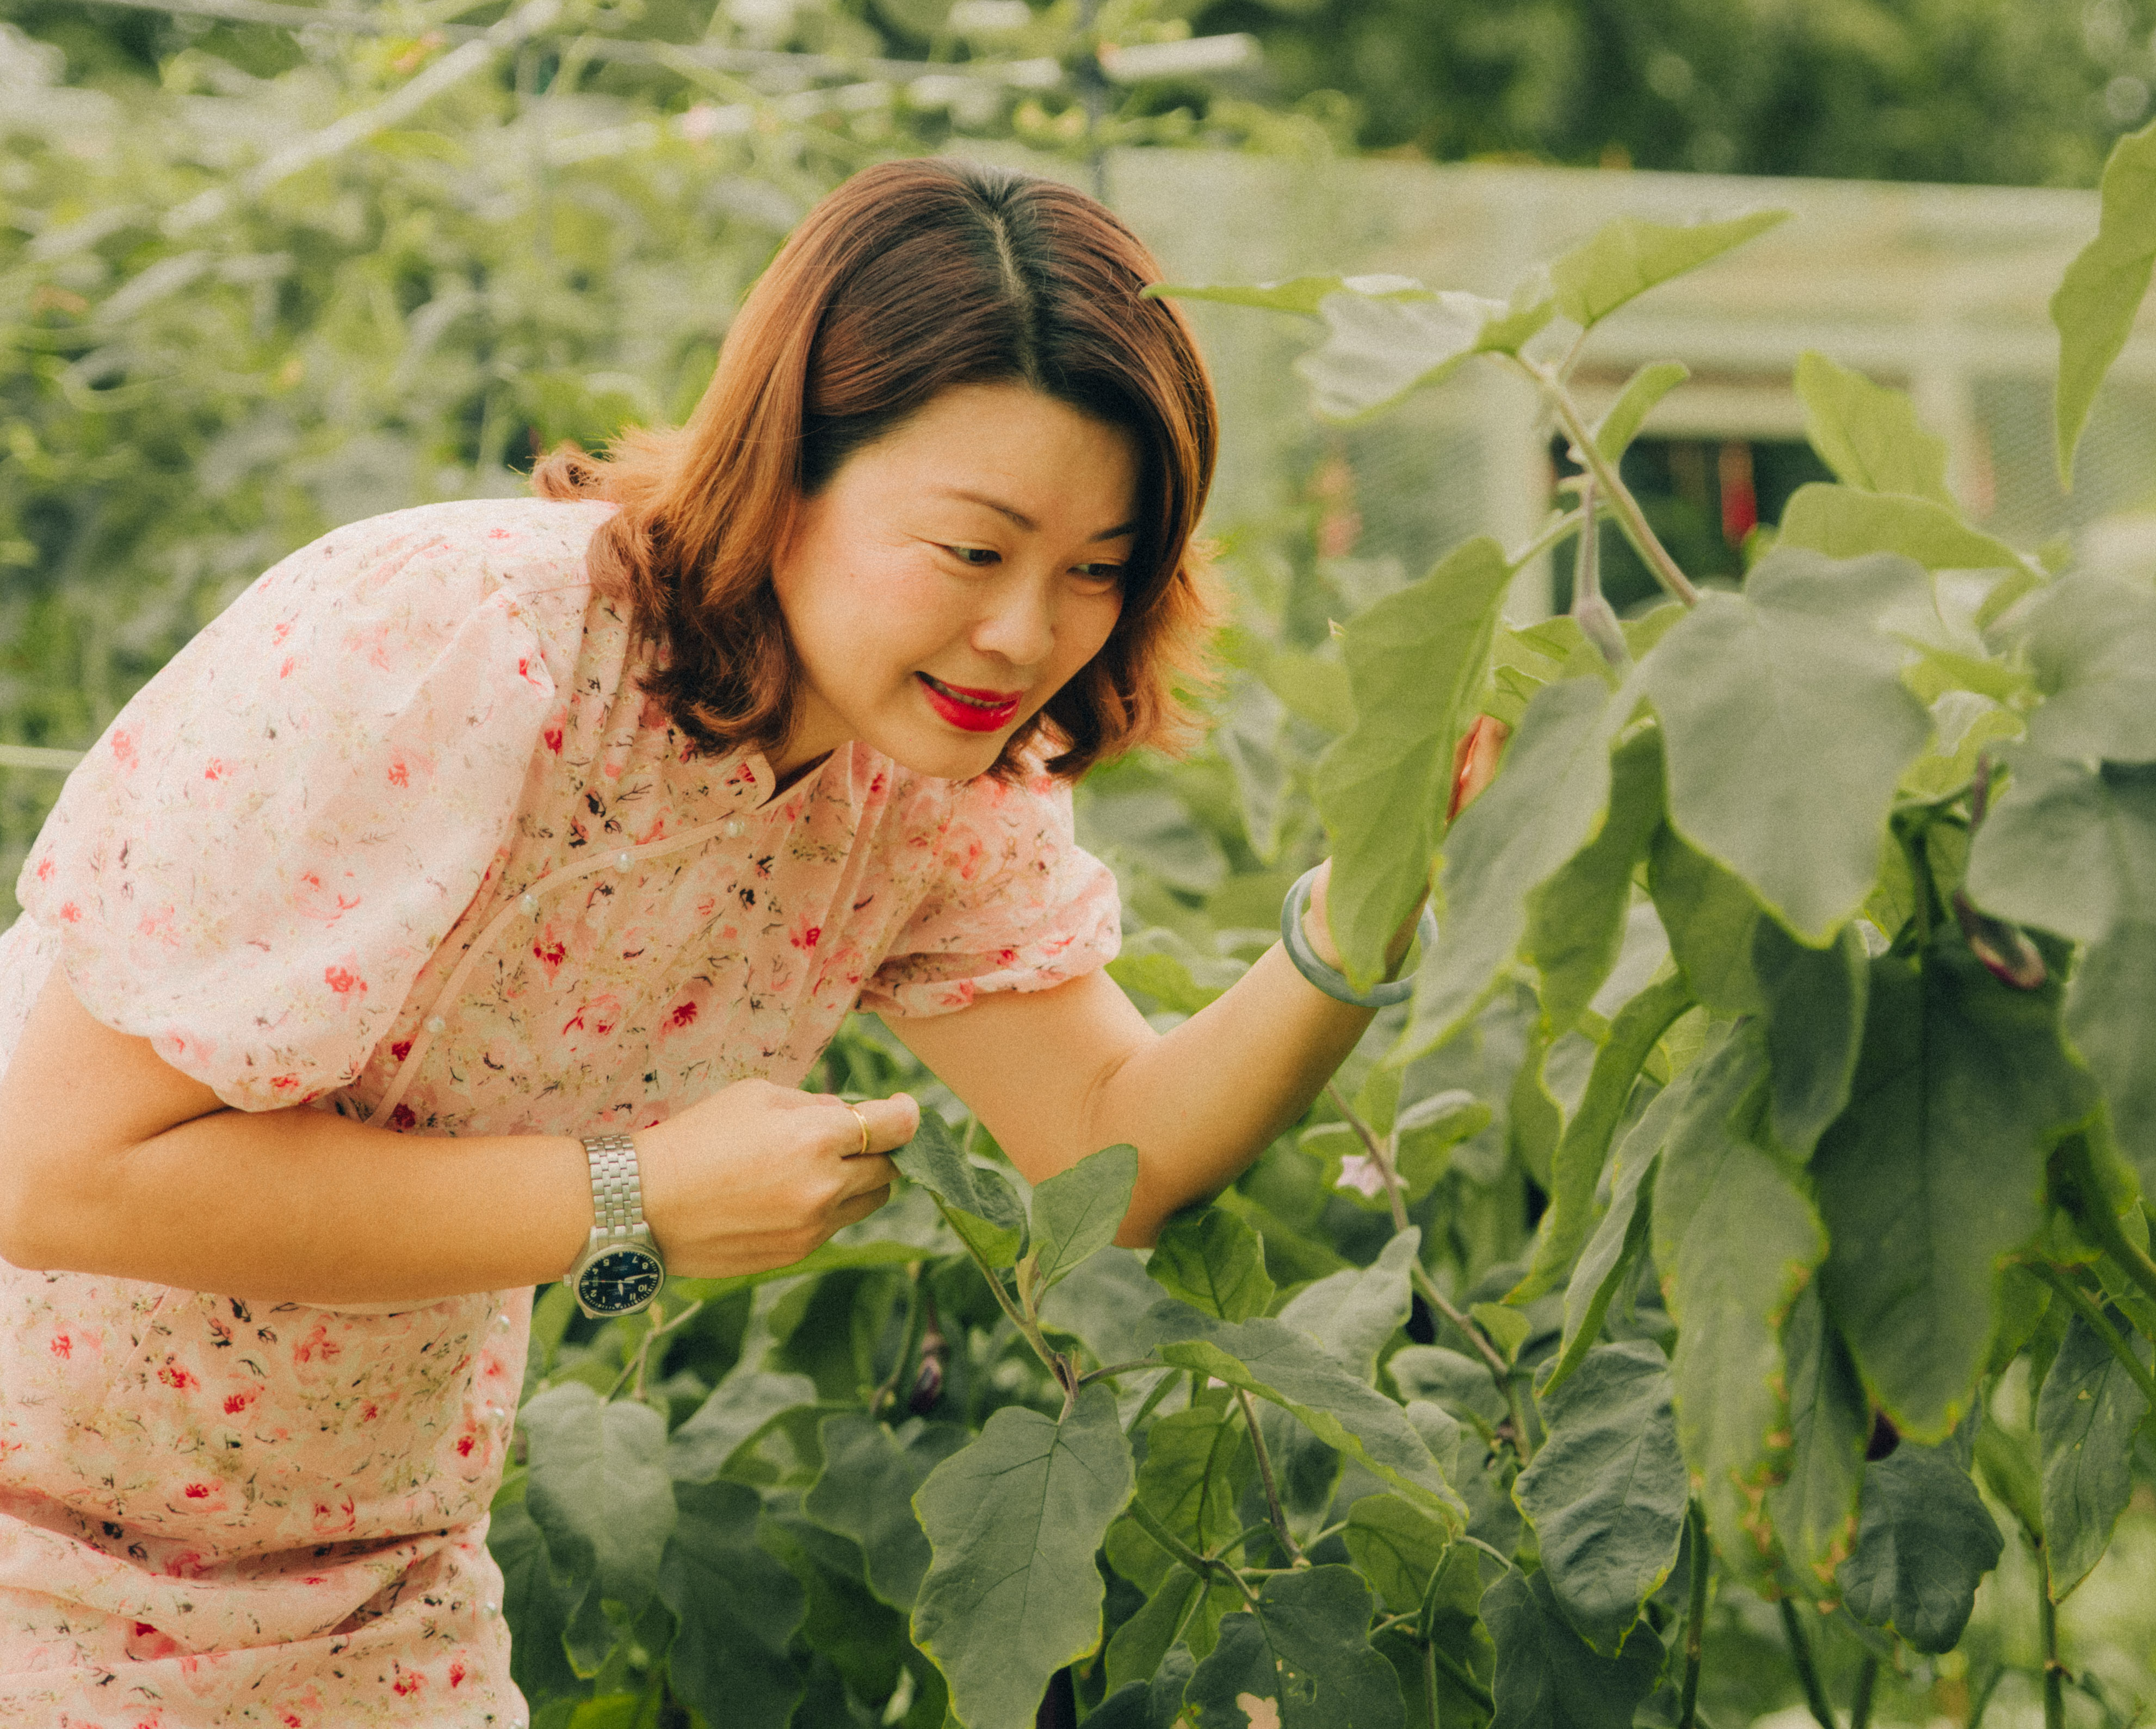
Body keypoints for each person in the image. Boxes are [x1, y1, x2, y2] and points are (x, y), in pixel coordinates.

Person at [0, 156, 1500, 1725]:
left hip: (375, 1579)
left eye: (1097, 574)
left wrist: (1368, 892)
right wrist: (631, 1198)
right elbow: (61, 1172)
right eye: (975, 552)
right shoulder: (457, 647)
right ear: (789, 472)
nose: (1025, 633)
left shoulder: (920, 784)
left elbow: (1107, 1149)